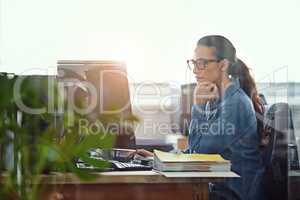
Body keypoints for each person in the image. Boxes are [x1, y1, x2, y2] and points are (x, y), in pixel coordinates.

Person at [135, 35, 265, 200]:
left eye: (202, 63)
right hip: (218, 190)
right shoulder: (218, 100)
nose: (196, 70)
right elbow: (192, 152)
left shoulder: (235, 104)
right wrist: (158, 158)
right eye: (194, 63)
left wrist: (198, 107)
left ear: (223, 65)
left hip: (233, 195)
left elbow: (199, 152)